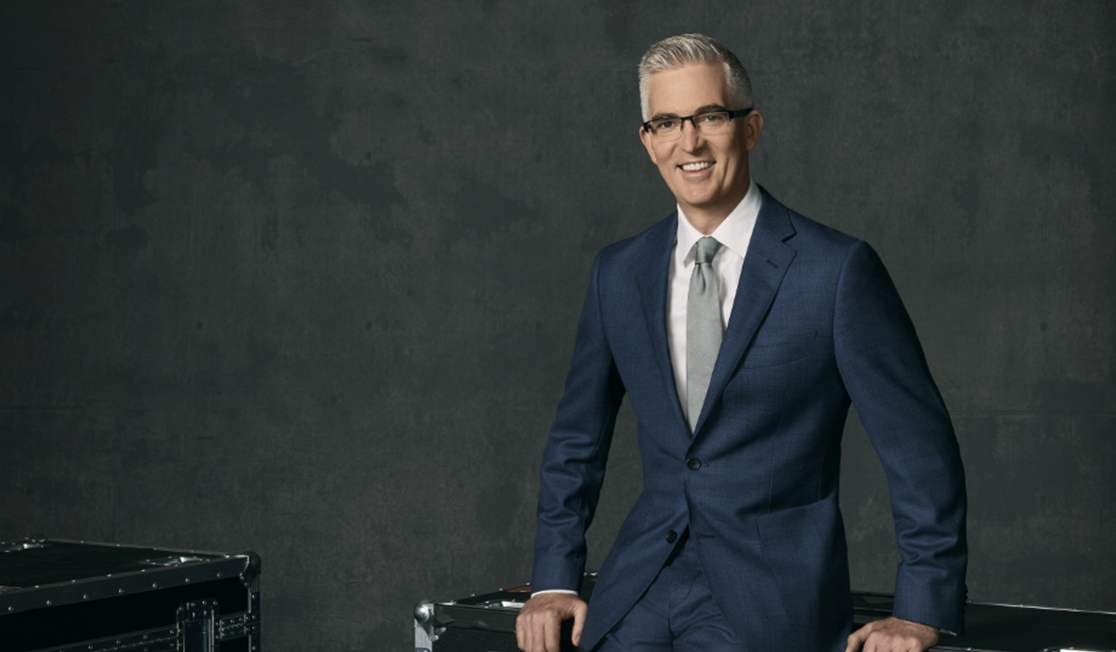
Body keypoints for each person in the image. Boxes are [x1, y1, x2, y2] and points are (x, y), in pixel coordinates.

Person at [516, 34, 966, 652]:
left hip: (770, 601)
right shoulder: (618, 273)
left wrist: (921, 609)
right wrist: (552, 579)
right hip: (638, 588)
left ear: (750, 128)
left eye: (710, 116)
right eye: (667, 123)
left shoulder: (836, 271)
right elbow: (577, 440)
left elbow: (918, 447)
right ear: (648, 142)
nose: (690, 142)